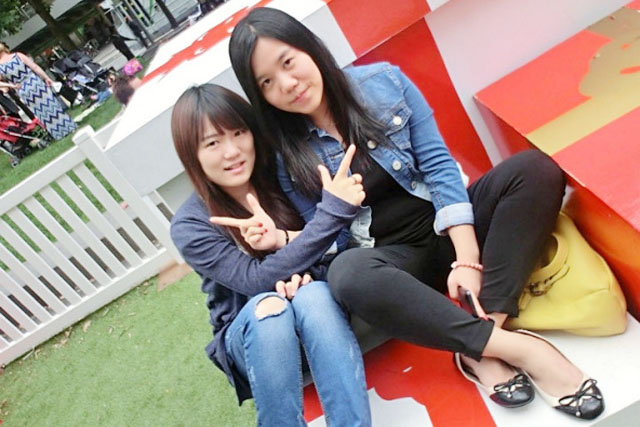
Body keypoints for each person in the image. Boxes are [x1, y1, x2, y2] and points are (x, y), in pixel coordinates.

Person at [228, 7, 605, 420]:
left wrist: (467, 257)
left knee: (533, 169)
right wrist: (294, 232)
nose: (287, 84)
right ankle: (520, 349)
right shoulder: (285, 155)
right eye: (267, 82)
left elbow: (439, 167)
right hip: (394, 267)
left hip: (450, 228)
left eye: (287, 62)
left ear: (309, 48)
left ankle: (487, 332)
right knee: (347, 273)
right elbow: (333, 242)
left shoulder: (383, 83)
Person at [169, 84, 371, 426]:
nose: (232, 152)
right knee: (270, 307)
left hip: (319, 315)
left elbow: (337, 246)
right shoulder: (191, 225)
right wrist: (332, 212)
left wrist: (302, 270)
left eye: (238, 133)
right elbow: (255, 281)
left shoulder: (282, 172)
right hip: (254, 333)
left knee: (313, 295)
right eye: (213, 143)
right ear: (192, 154)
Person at [0, 42, 76, 140]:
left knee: (41, 111)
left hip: (23, 88)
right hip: (34, 81)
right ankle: (68, 126)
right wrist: (46, 78)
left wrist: (11, 85)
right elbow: (35, 67)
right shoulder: (17, 55)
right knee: (52, 105)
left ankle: (58, 133)